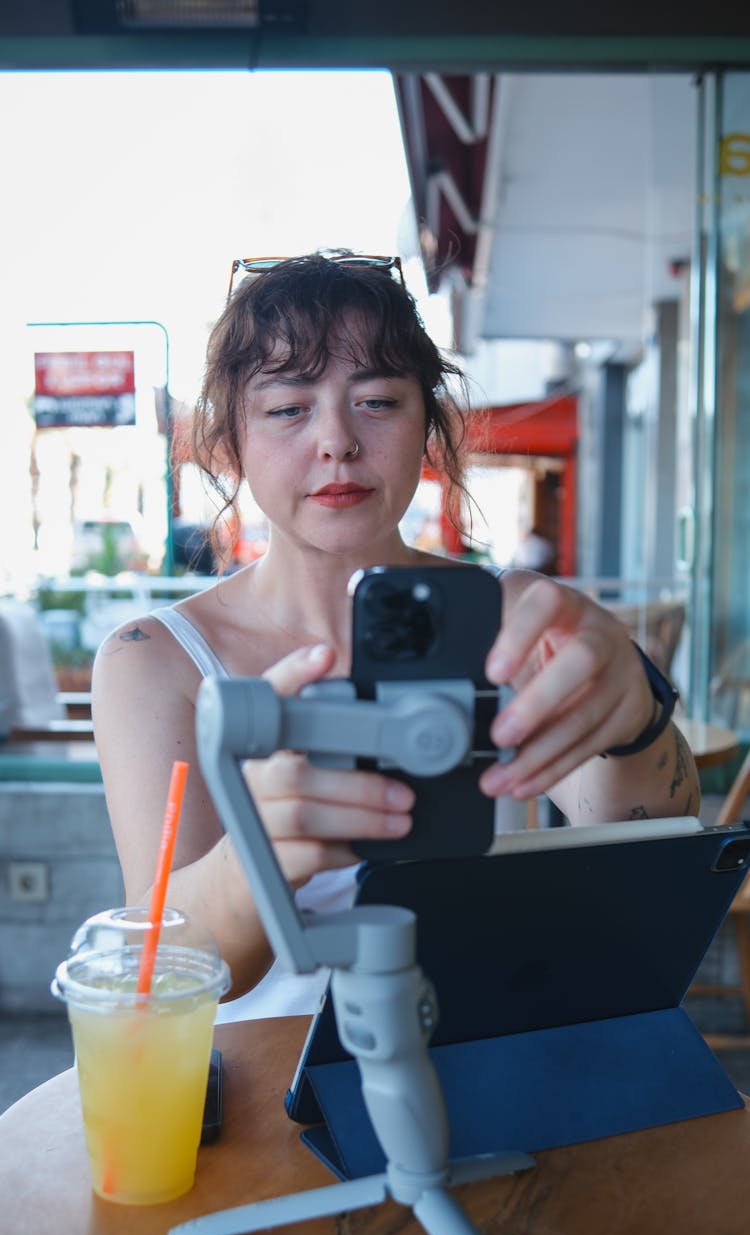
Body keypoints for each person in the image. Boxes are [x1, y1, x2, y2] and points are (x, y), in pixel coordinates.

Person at [92, 250, 700, 1021]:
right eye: (287, 408)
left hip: (484, 1055)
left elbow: (637, 852)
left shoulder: (507, 619)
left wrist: (636, 718)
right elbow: (159, 964)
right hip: (257, 1107)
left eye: (377, 400)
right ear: (234, 440)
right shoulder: (156, 660)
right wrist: (259, 852)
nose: (337, 440)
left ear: (428, 427)